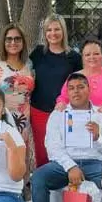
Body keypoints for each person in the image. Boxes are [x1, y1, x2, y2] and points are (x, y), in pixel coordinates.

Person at [33, 72, 102, 202]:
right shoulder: (58, 115)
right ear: (67, 92)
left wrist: (98, 136)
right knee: (39, 177)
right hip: (64, 162)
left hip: (95, 161)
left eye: (80, 87)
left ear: (89, 89)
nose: (76, 92)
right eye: (71, 88)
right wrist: (71, 167)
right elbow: (52, 147)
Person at [29, 14, 82, 167]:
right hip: (39, 110)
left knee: (63, 152)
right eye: (49, 30)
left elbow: (79, 84)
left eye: (57, 29)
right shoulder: (38, 53)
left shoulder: (73, 57)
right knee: (42, 151)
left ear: (63, 31)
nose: (53, 33)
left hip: (64, 112)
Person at [0, 24, 35, 176]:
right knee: (4, 153)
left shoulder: (29, 64)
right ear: (3, 41)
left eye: (17, 39)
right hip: (3, 117)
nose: (13, 43)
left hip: (24, 119)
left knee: (22, 155)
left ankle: (22, 191)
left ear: (23, 42)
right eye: (9, 39)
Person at [56, 38, 102, 116]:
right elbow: (64, 97)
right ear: (82, 57)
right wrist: (61, 104)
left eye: (96, 54)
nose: (92, 57)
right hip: (81, 120)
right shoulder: (74, 76)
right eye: (87, 55)